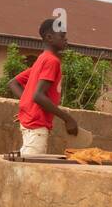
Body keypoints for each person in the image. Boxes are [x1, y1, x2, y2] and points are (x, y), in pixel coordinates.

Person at [9, 17, 79, 155]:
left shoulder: (41, 60)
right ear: (49, 37)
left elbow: (13, 83)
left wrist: (29, 107)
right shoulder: (52, 61)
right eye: (62, 36)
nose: (66, 39)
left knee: (26, 167)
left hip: (30, 123)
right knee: (31, 171)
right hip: (37, 126)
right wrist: (68, 119)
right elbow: (38, 96)